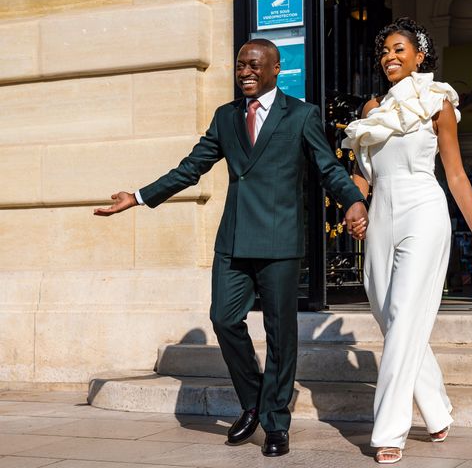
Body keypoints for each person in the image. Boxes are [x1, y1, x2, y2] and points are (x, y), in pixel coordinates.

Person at [94, 38, 368, 457]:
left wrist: (352, 199)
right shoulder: (225, 117)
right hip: (234, 240)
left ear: (276, 69)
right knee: (223, 318)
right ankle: (255, 400)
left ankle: (276, 424)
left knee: (281, 336)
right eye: (240, 65)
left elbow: (327, 166)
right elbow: (191, 168)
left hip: (280, 241)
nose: (245, 72)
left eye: (255, 65)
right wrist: (139, 195)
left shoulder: (301, 115)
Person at [342, 18, 472, 464]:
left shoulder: (438, 101)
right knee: (387, 313)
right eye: (384, 50)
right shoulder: (372, 108)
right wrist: (356, 205)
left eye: (399, 48)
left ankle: (389, 430)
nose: (390, 56)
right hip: (381, 215)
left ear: (420, 55)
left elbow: (456, 172)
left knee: (405, 315)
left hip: (424, 210)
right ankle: (438, 409)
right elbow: (362, 173)